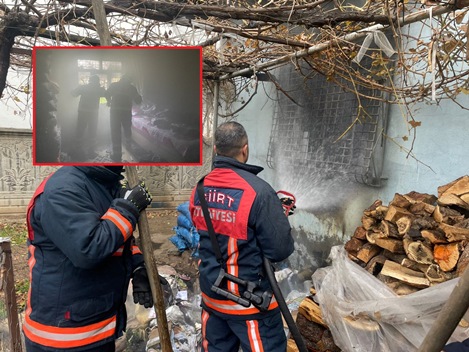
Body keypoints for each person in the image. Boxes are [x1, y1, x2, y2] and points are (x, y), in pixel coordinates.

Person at [23, 166, 158, 352]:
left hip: (95, 328)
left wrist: (138, 266)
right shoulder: (63, 188)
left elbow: (117, 236)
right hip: (63, 338)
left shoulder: (102, 184)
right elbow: (88, 248)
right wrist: (128, 209)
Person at [189, 121, 295, 352]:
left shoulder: (199, 189)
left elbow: (214, 230)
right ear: (245, 149)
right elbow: (280, 250)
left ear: (215, 149)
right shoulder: (259, 192)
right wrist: (277, 219)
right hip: (249, 306)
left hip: (212, 299)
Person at [105, 74, 142, 162]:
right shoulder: (131, 88)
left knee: (115, 132)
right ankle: (128, 146)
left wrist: (109, 101)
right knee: (127, 129)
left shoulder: (114, 85)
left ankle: (117, 155)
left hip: (115, 113)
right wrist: (139, 97)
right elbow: (138, 100)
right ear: (129, 80)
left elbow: (106, 94)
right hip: (126, 113)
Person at [71, 75, 107, 160]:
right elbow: (105, 96)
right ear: (97, 81)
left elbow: (73, 94)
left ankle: (78, 151)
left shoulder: (83, 87)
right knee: (92, 132)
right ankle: (91, 152)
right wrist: (102, 88)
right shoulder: (99, 89)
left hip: (82, 112)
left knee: (80, 131)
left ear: (90, 80)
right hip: (93, 113)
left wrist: (75, 88)